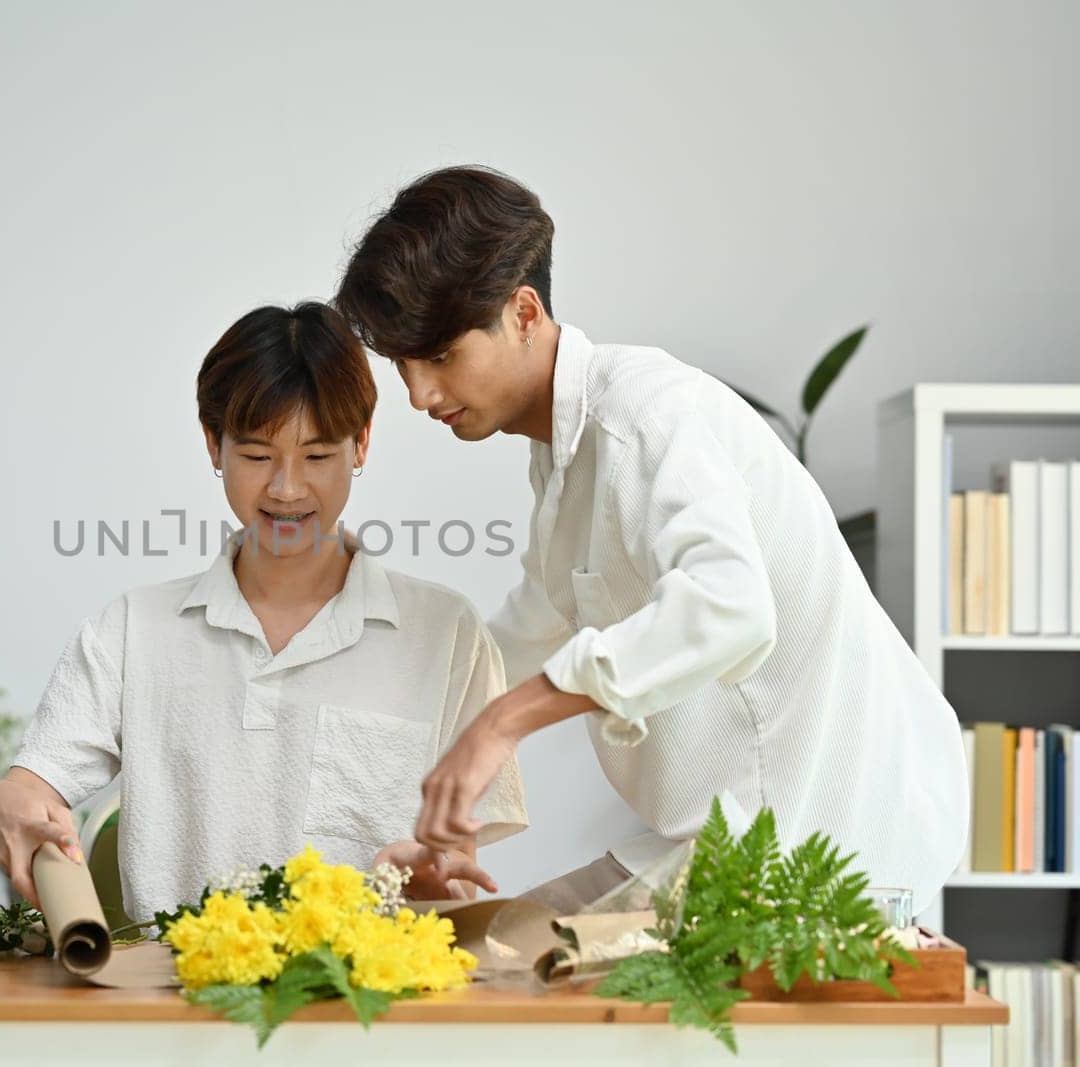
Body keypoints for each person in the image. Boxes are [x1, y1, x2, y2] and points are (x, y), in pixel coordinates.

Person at [332, 165, 968, 911]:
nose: (421, 394)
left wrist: (502, 726)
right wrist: (443, 803)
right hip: (722, 834)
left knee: (515, 971)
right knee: (485, 941)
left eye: (440, 357)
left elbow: (732, 607)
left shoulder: (646, 415)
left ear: (524, 312)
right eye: (404, 365)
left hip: (820, 840)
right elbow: (527, 632)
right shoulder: (563, 461)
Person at [0, 301, 528, 922]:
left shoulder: (445, 634)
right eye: (258, 457)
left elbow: (454, 869)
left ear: (361, 443)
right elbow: (24, 791)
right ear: (214, 444)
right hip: (172, 999)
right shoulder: (132, 631)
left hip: (366, 1000)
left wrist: (431, 882)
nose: (287, 489)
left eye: (317, 456)